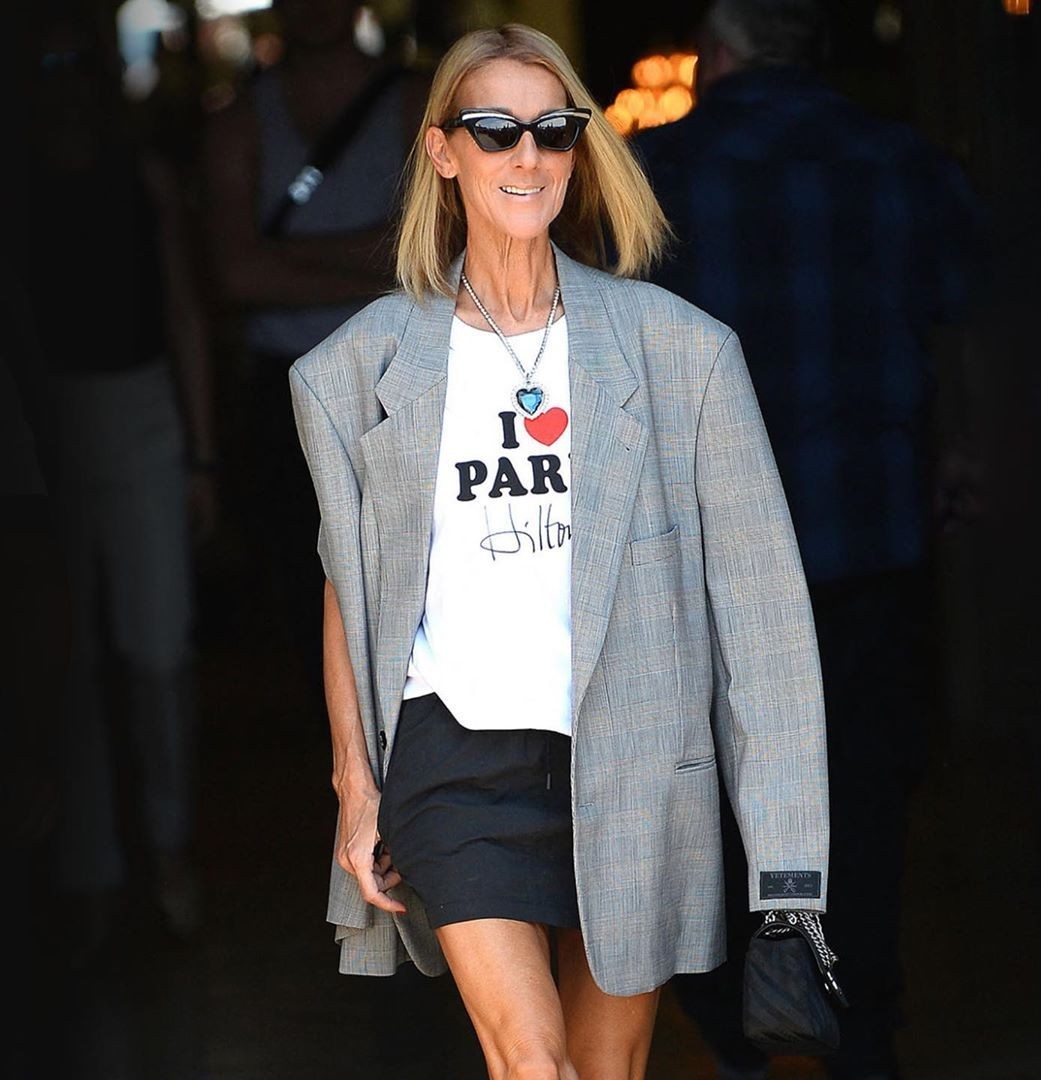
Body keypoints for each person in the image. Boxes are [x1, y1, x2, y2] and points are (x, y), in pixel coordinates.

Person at [290, 23, 830, 1080]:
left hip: (634, 760)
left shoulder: (680, 354)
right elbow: (351, 586)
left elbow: (765, 628)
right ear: (444, 150)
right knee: (534, 1064)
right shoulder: (358, 368)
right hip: (456, 762)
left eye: (553, 129)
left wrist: (790, 874)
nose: (527, 154)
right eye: (495, 130)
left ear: (580, 148)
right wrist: (357, 786)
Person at [632, 2, 984, 1077]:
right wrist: (952, 451)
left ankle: (738, 1021)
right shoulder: (903, 161)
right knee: (863, 800)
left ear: (717, 51)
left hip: (708, 551)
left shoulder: (656, 170)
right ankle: (858, 1028)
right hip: (863, 533)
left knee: (705, 800)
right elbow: (958, 324)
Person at [25, 0, 216, 955]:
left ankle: (170, 847)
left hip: (141, 413)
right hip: (46, 422)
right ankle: (91, 869)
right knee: (69, 662)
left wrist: (200, 452)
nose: (65, 84)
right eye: (48, 65)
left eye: (78, 62)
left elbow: (182, 310)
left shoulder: (142, 175)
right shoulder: (20, 182)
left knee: (158, 650)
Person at [204, 0, 429, 706]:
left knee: (420, 584)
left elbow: (435, 247)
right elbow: (235, 275)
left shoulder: (417, 101)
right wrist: (382, 262)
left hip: (404, 381)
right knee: (312, 598)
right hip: (288, 393)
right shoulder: (240, 119)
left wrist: (286, 258)